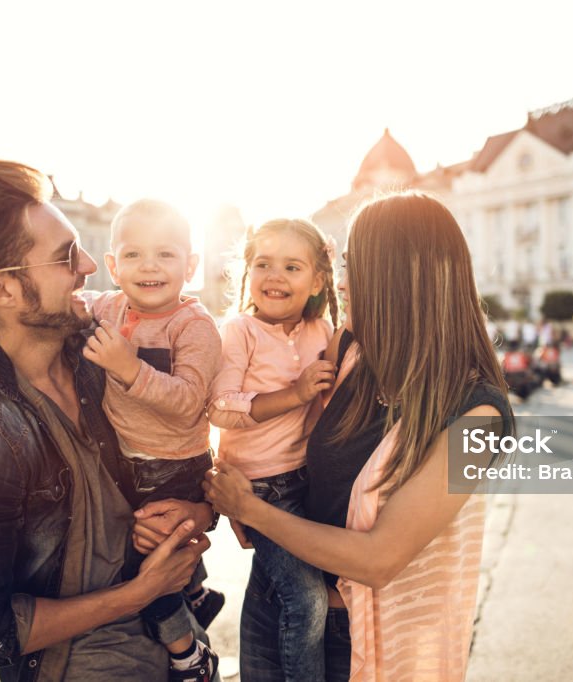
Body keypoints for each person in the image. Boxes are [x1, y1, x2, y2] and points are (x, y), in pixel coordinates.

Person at [0, 159, 212, 681]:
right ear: (0, 289)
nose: (91, 265)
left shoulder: (102, 346)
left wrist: (198, 509)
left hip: (179, 655)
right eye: (67, 255)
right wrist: (141, 592)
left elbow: (183, 434)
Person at [202, 192, 515, 680]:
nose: (340, 283)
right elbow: (267, 428)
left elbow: (379, 559)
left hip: (361, 638)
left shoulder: (480, 417)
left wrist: (251, 510)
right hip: (277, 598)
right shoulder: (346, 348)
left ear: (402, 278)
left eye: (355, 267)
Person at [80, 198, 224, 679]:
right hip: (129, 461)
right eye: (135, 255)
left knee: (148, 567)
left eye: (165, 254)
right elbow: (69, 304)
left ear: (191, 265)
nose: (150, 267)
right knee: (163, 549)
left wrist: (127, 367)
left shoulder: (194, 325)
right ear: (114, 266)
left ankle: (189, 655)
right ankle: (198, 594)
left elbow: (188, 402)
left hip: (174, 463)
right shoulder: (108, 305)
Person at [207, 218, 337, 681]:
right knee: (307, 599)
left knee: (281, 593)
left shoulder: (322, 331)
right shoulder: (239, 330)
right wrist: (295, 395)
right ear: (247, 271)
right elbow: (219, 407)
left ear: (317, 280)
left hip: (304, 482)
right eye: (263, 263)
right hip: (258, 487)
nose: (275, 275)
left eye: (292, 266)